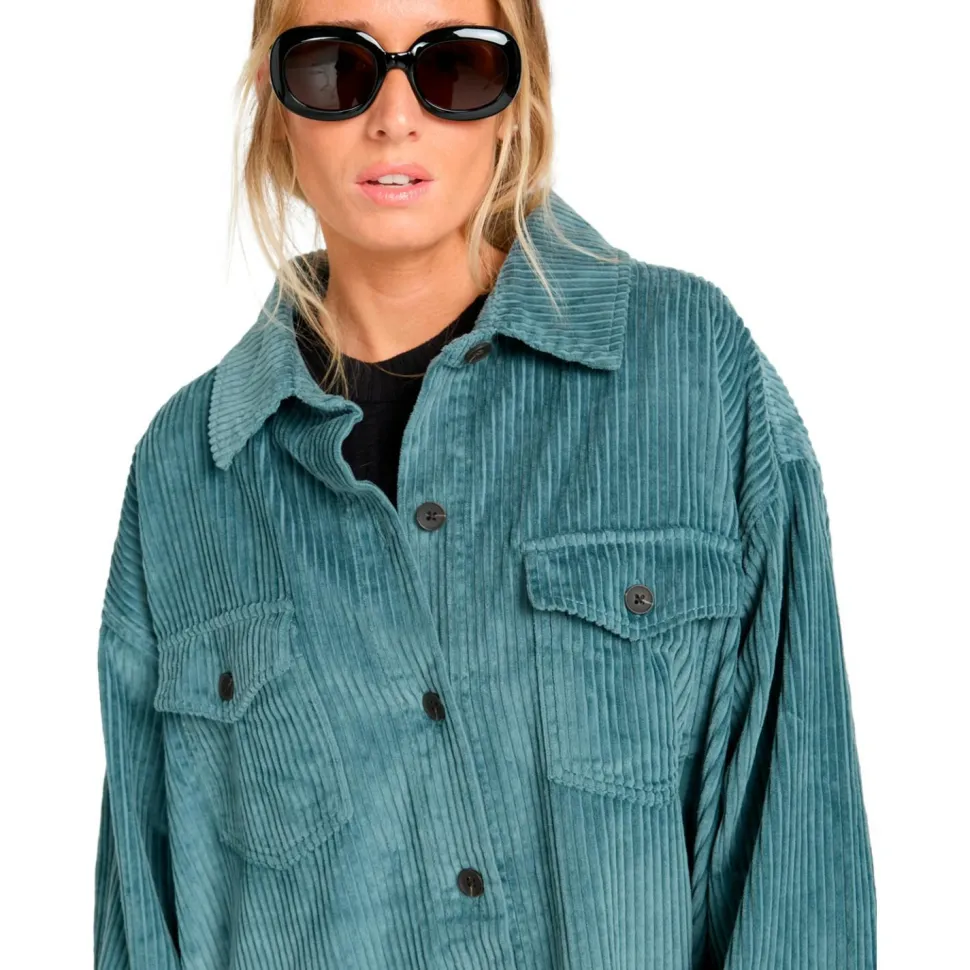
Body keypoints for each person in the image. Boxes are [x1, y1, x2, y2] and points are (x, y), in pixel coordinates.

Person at [93, 1, 877, 968]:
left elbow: (798, 862)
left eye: (454, 67)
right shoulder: (186, 471)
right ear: (274, 97)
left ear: (515, 95)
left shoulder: (690, 370)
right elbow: (145, 917)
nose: (393, 118)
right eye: (336, 67)